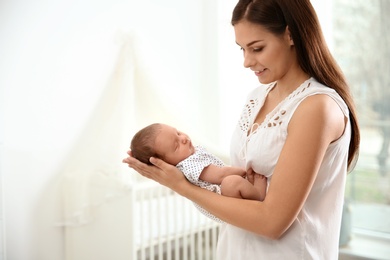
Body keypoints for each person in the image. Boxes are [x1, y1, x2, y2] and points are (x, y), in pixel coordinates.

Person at [123, 0, 360, 259]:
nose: (247, 61)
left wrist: (183, 187)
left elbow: (273, 222)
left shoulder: (316, 107)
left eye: (257, 48)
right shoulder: (256, 98)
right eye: (242, 49)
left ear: (291, 34)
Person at [130, 123, 267, 221]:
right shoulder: (188, 165)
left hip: (224, 199)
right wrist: (244, 171)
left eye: (177, 133)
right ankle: (258, 194)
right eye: (176, 146)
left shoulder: (191, 153)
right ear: (166, 163)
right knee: (231, 181)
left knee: (231, 181)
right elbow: (221, 174)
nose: (183, 138)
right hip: (223, 200)